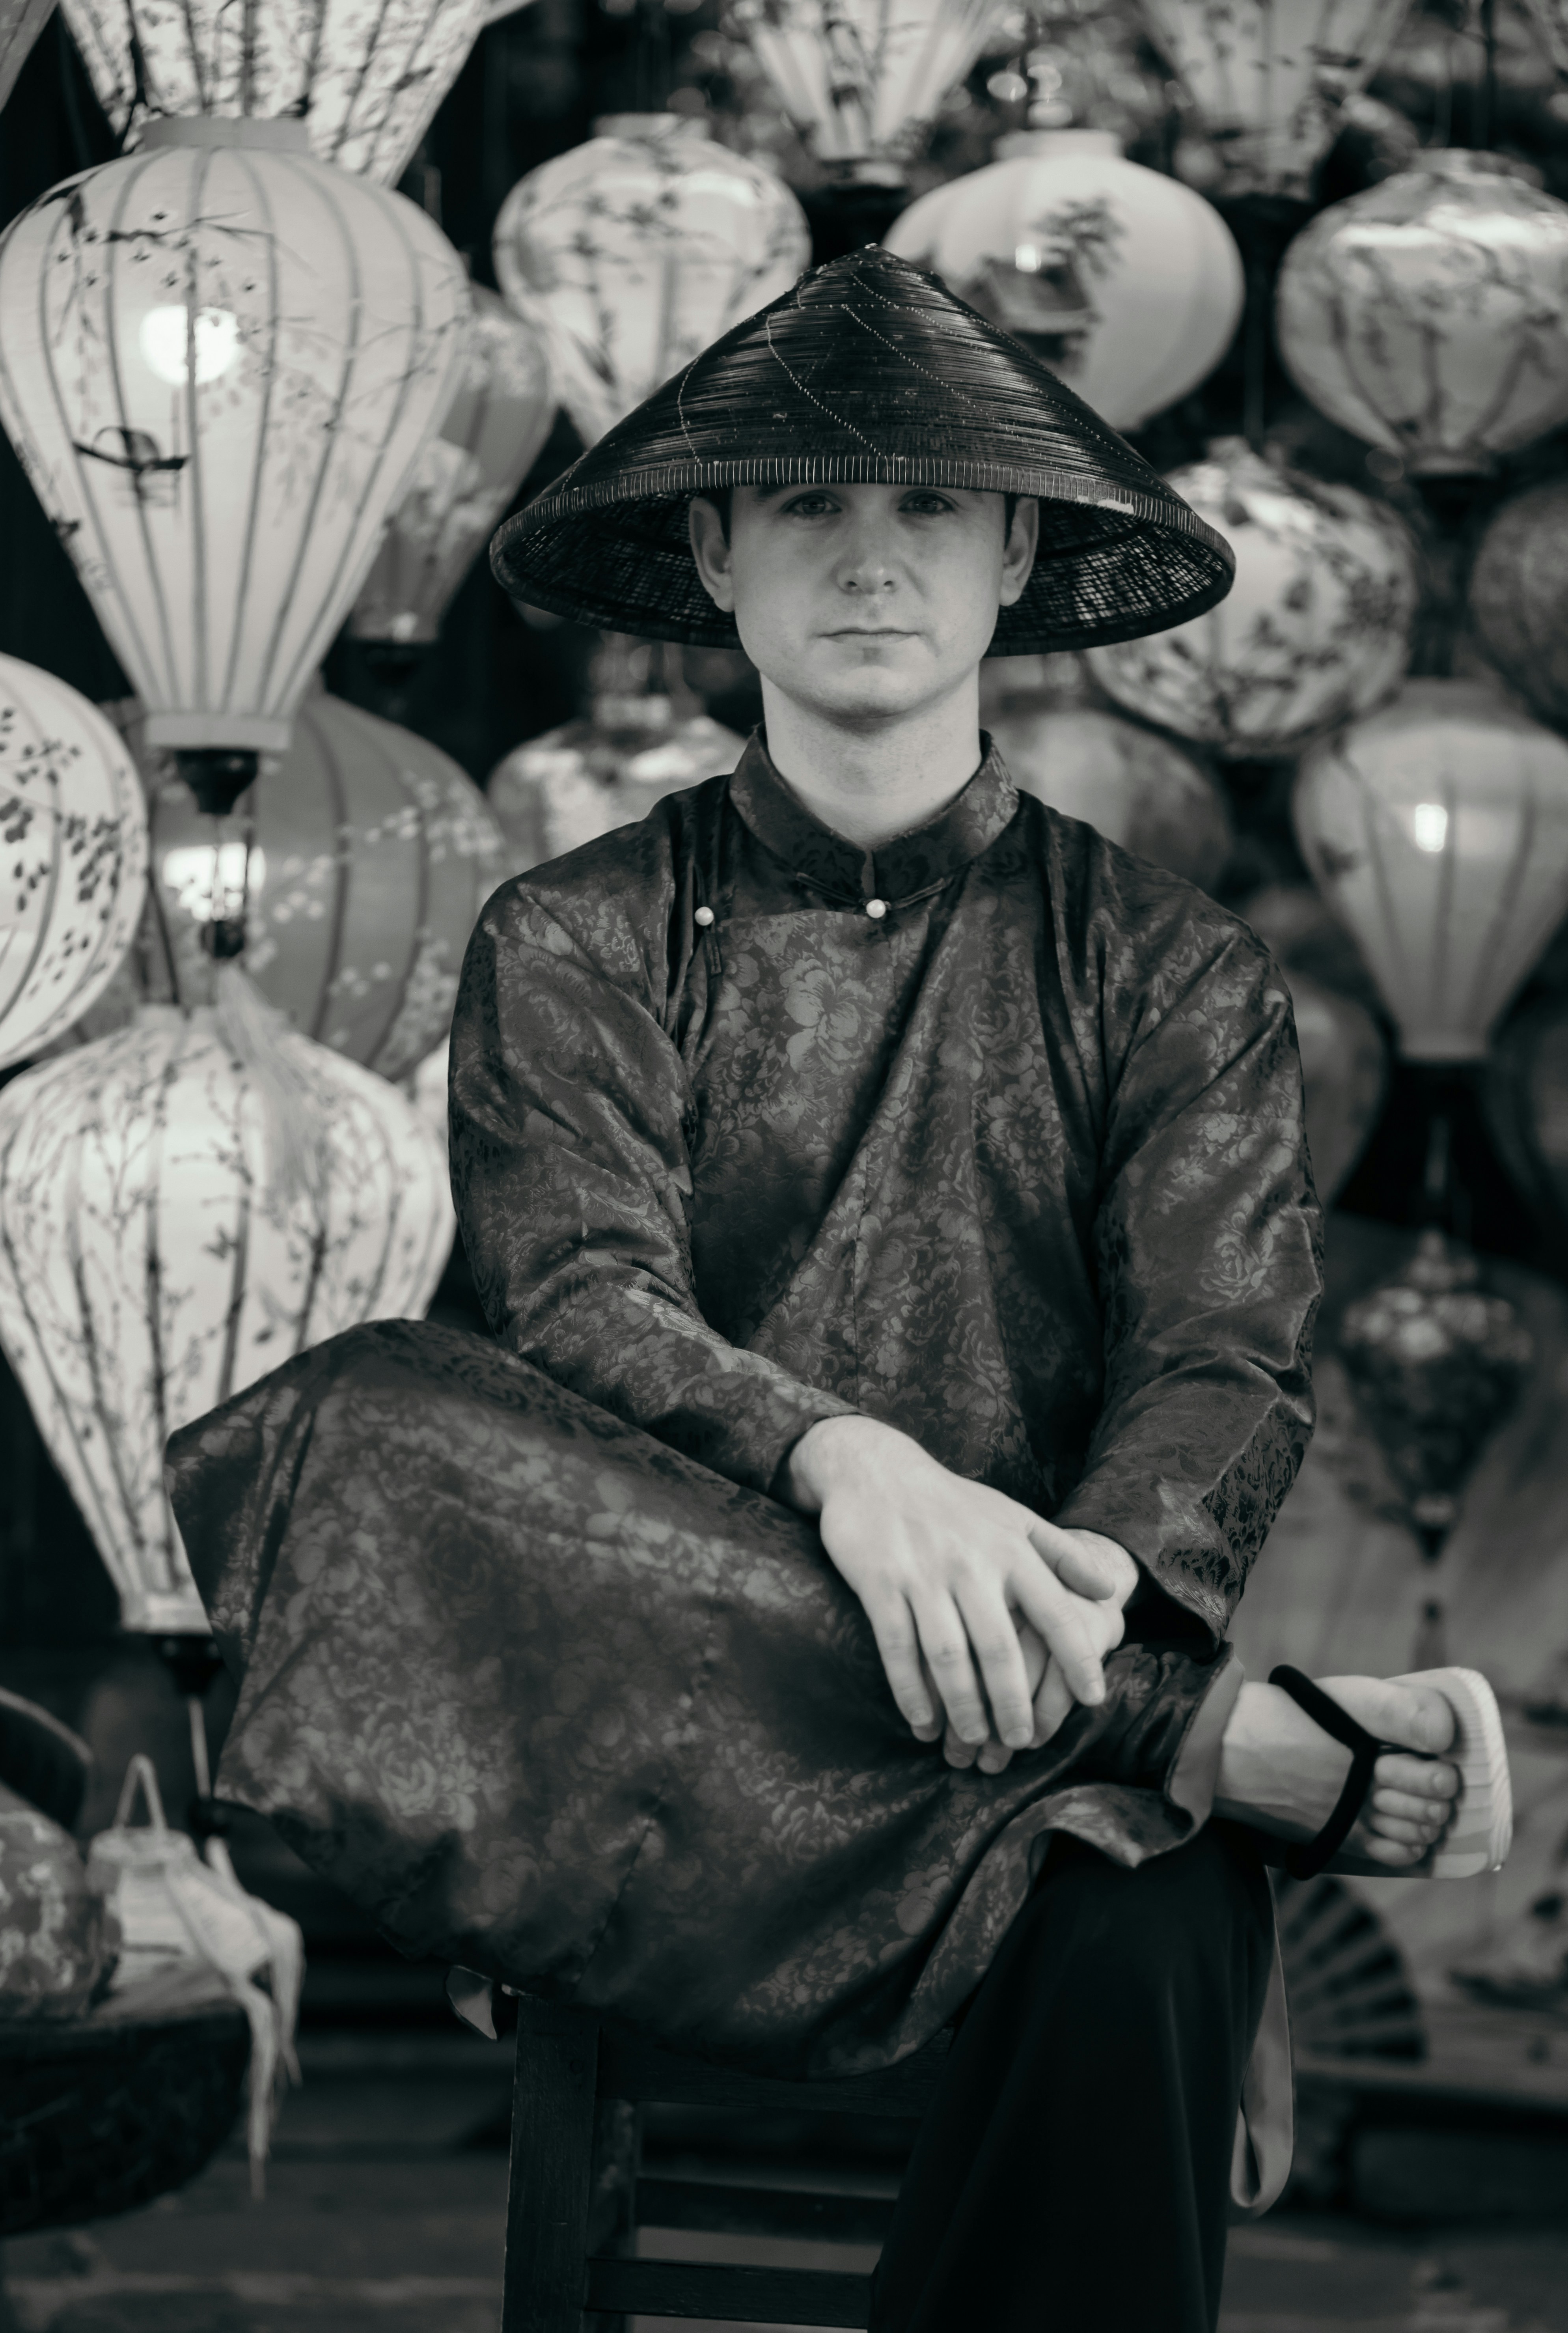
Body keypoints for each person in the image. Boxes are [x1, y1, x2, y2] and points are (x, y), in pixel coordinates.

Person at [166, 250, 1507, 2333]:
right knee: (359, 1420)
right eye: (808, 501)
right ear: (716, 550)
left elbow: (1220, 1365)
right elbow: (580, 1306)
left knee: (1136, 1917)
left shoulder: (1172, 965)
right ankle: (1208, 1742)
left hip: (1048, 1725)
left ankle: (1134, 1748)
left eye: (928, 505)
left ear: (1014, 553)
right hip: (678, 1731)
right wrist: (851, 1466)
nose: (870, 557)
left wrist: (1058, 1610)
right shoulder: (576, 932)